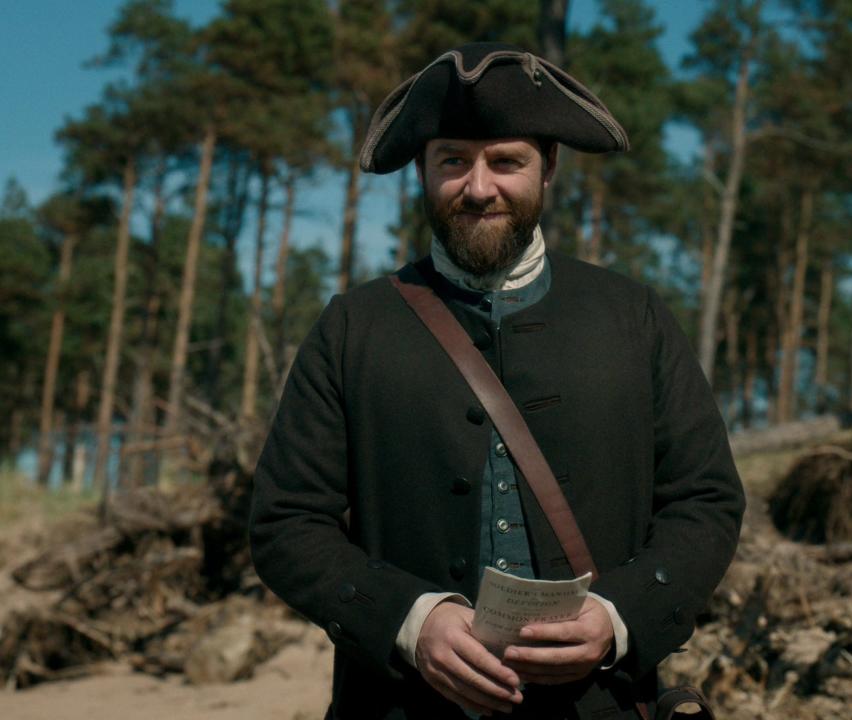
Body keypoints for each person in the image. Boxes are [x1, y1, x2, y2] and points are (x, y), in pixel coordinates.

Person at [250, 42, 745, 719]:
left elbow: (706, 500)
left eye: (506, 161)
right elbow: (285, 522)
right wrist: (411, 621)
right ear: (422, 172)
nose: (478, 187)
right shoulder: (352, 328)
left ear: (550, 169)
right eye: (452, 160)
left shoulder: (634, 318)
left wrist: (617, 616)